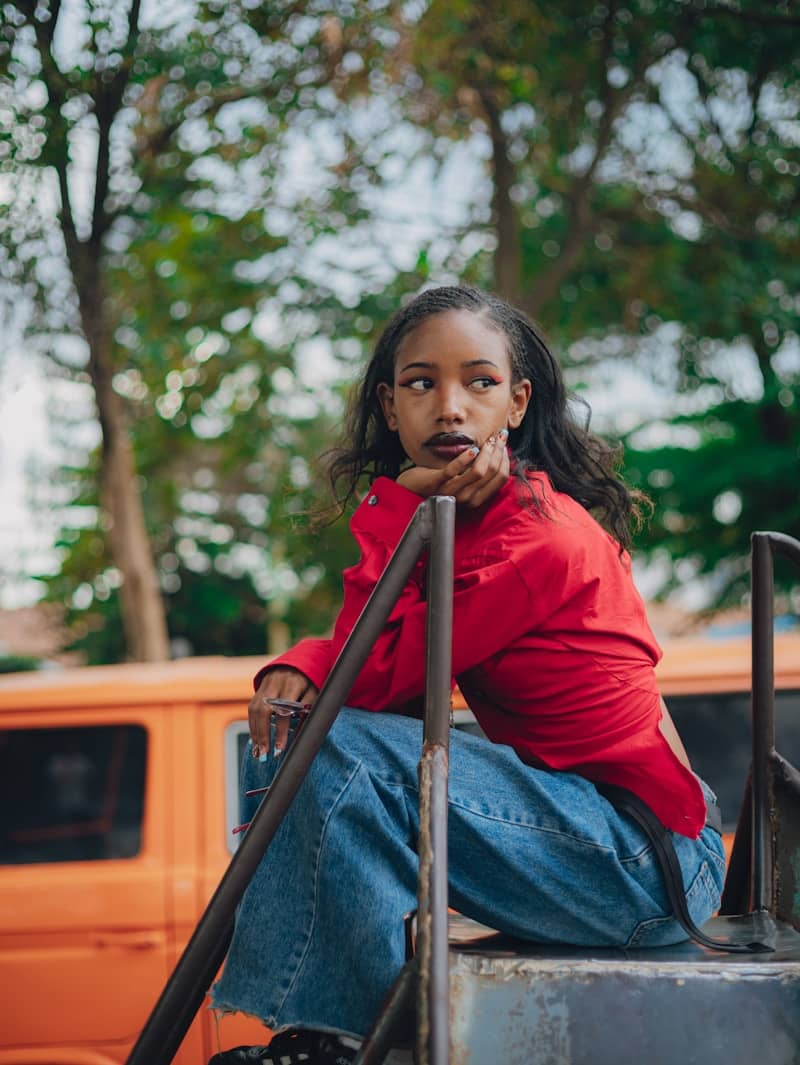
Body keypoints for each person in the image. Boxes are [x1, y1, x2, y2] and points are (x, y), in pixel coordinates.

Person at [209, 285, 726, 1065]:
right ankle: (330, 1028)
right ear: (390, 406)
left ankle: (339, 1035)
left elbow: (372, 683)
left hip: (644, 863)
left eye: (479, 382)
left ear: (516, 403)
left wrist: (389, 512)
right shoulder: (470, 524)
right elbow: (381, 657)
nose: (450, 407)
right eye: (421, 383)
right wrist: (301, 663)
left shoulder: (537, 540)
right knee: (323, 735)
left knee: (335, 745)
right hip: (601, 835)